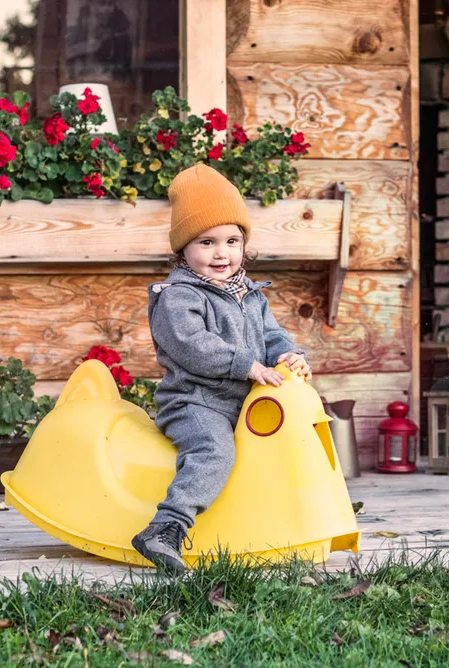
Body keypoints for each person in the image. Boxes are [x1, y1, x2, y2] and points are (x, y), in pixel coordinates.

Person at [131, 164, 312, 573]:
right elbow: (193, 346)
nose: (221, 253)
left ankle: (289, 517)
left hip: (242, 405)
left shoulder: (249, 294)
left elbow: (272, 335)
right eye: (207, 242)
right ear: (183, 249)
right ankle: (165, 529)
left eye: (232, 240)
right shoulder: (177, 297)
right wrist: (246, 365)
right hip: (196, 403)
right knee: (214, 451)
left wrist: (289, 355)